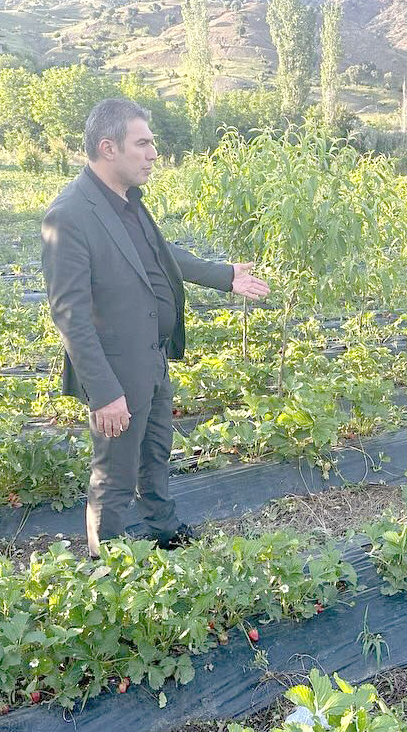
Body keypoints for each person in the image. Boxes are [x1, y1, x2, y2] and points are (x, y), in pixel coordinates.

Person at [41, 98, 269, 557]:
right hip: (117, 372)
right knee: (115, 473)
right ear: (108, 148)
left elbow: (165, 258)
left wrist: (225, 275)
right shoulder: (69, 215)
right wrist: (104, 392)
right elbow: (70, 314)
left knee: (155, 456)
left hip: (153, 359)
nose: (153, 153)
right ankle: (109, 563)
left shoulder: (128, 203)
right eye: (143, 143)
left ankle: (164, 532)